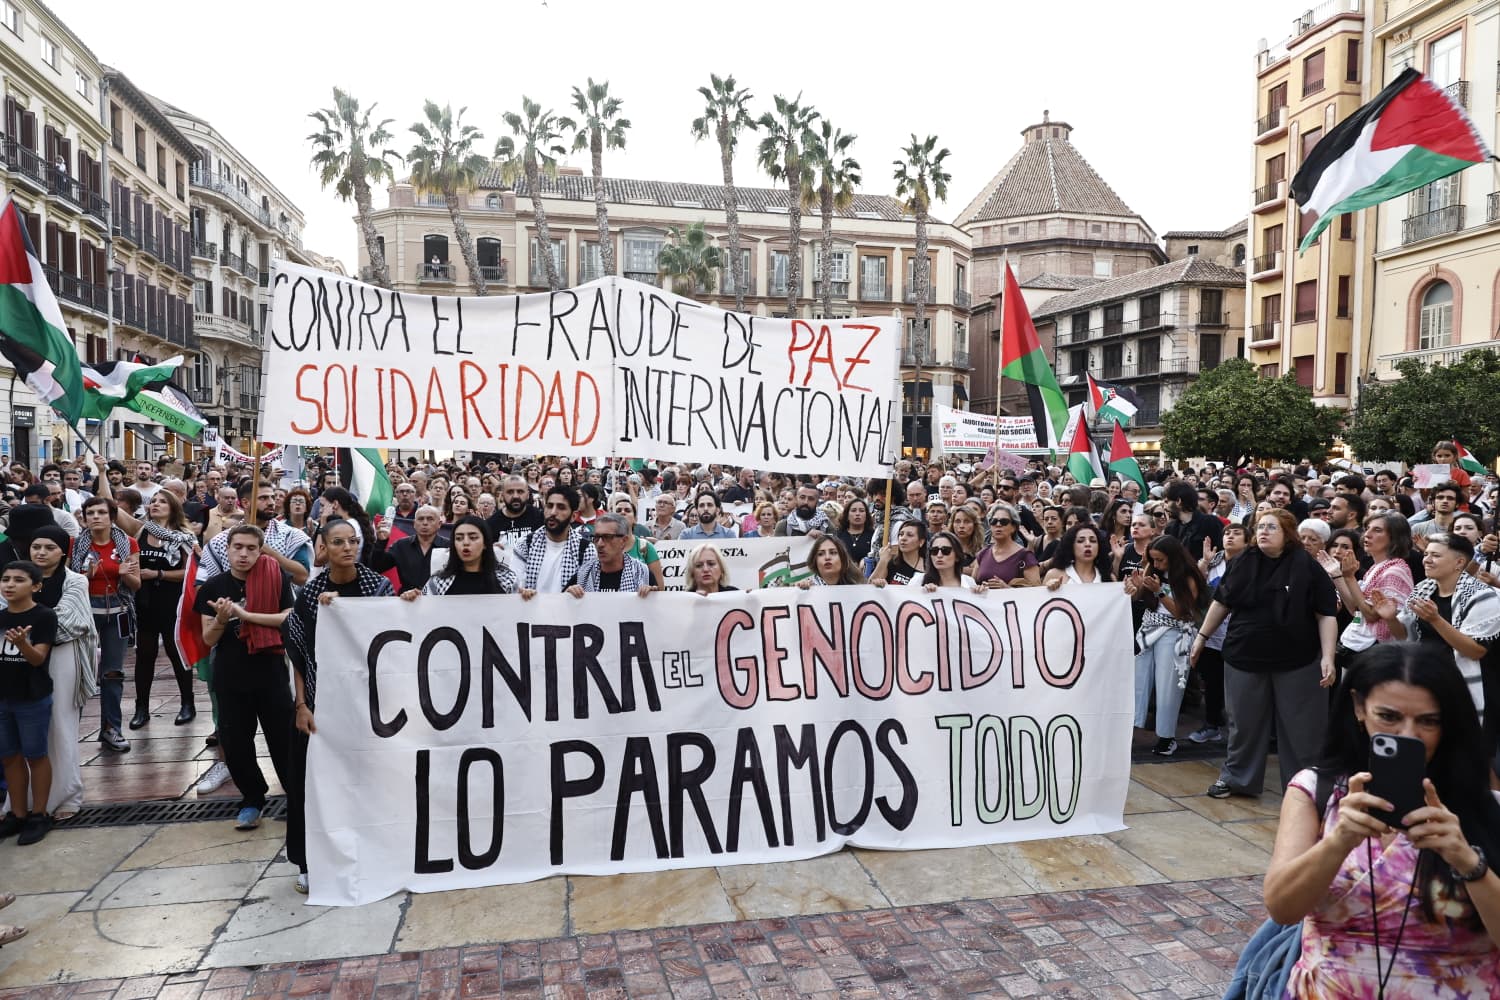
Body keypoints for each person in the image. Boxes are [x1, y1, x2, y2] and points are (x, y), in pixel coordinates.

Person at [1264, 644, 1500, 997]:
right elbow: (1283, 908)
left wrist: (1468, 861)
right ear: (1359, 708)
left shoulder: (1485, 807)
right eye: (1388, 717)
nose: (1408, 735)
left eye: (1428, 721)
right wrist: (1338, 840)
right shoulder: (1316, 793)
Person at [1195, 509, 1339, 798]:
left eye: (1271, 527)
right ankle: (1237, 779)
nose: (1263, 532)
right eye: (1260, 527)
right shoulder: (1243, 562)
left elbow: (1326, 614)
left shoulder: (1307, 566)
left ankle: (1304, 786)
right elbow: (1222, 602)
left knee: (1302, 729)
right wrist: (1202, 637)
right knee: (1243, 725)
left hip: (1298, 659)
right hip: (1244, 655)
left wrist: (1328, 657)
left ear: (1288, 534)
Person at [285, 519, 394, 895]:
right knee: (311, 785)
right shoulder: (311, 595)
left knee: (367, 782)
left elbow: (393, 635)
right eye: (338, 542)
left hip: (367, 706)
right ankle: (307, 861)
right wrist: (301, 704)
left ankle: (373, 852)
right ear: (323, 548)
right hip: (321, 704)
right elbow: (298, 654)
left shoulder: (378, 587)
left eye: (353, 541)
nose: (347, 548)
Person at [194, 524, 296, 831]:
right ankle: (252, 799)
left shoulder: (277, 578)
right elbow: (208, 639)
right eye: (238, 547)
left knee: (284, 740)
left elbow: (287, 618)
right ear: (228, 549)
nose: (244, 554)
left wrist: (247, 615)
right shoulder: (213, 586)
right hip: (230, 674)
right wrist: (223, 620)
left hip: (270, 671)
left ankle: (298, 797)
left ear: (260, 550)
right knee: (236, 742)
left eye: (252, 548)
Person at [1374, 532, 1500, 737]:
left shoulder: (1482, 596)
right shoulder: (1423, 589)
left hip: (1469, 684)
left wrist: (1436, 620)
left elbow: (1475, 650)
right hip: (1430, 681)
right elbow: (1406, 637)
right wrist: (1390, 619)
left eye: (1436, 555)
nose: (1427, 560)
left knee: (1472, 756)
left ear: (1459, 562)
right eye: (1426, 554)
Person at [20, 526, 92, 820]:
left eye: (49, 547)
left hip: (63, 656)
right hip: (20, 657)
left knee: (60, 725)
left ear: (63, 551)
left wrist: (24, 627)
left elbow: (70, 623)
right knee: (23, 728)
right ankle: (21, 801)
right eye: (36, 546)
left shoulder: (76, 582)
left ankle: (67, 795)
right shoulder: (18, 578)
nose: (40, 552)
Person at [1125, 535, 1207, 756]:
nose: (1157, 564)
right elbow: (1139, 599)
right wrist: (1138, 586)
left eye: (1161, 560)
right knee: (1137, 680)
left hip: (1174, 633)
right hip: (1149, 628)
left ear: (1173, 557)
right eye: (1154, 560)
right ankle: (1132, 726)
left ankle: (1166, 737)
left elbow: (1183, 612)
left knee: (1168, 686)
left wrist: (1159, 591)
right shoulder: (1151, 570)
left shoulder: (1189, 576)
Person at [124, 491, 197, 729]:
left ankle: (188, 703)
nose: (156, 504)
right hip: (144, 601)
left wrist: (158, 573)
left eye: (162, 501)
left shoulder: (184, 536)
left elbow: (189, 573)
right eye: (153, 501)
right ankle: (141, 708)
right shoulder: (141, 529)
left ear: (173, 507)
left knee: (177, 654)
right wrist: (102, 472)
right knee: (144, 656)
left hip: (172, 601)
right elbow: (114, 511)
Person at [72, 496, 139, 754]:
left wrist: (126, 574)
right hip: (85, 610)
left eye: (101, 512)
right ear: (85, 517)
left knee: (112, 672)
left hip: (118, 611)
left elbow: (136, 585)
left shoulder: (127, 543)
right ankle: (70, 729)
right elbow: (67, 580)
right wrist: (84, 576)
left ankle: (111, 727)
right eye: (90, 513)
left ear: (112, 517)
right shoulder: (75, 544)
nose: (96, 517)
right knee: (77, 672)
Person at [0, 561, 57, 844]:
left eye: (18, 580)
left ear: (35, 586)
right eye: (5, 579)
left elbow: (38, 659)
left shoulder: (44, 617)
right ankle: (17, 814)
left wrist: (23, 643)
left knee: (35, 754)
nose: (9, 584)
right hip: (3, 698)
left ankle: (39, 814)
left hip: (32, 697)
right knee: (9, 755)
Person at [1324, 511, 1414, 661]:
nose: (1367, 534)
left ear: (1395, 538)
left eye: (1377, 530)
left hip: (1377, 654)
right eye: (1367, 528)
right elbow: (1355, 610)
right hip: (1358, 647)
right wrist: (1339, 575)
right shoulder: (1377, 567)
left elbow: (1371, 615)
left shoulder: (1395, 571)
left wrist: (1350, 578)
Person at [511, 485, 593, 594]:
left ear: (573, 516)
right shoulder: (526, 544)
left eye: (561, 507)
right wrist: (522, 592)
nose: (553, 512)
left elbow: (590, 594)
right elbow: (514, 586)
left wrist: (574, 594)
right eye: (549, 506)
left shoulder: (586, 550)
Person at [567, 513, 651, 597]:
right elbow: (562, 605)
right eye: (596, 537)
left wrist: (652, 596)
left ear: (624, 541)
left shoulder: (642, 573)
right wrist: (569, 596)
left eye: (607, 537)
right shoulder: (583, 575)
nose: (600, 544)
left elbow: (655, 607)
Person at [974, 504, 1040, 589]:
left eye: (1004, 521)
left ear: (1013, 527)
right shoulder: (983, 554)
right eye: (993, 521)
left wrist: (1006, 588)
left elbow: (1036, 594)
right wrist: (978, 588)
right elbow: (972, 584)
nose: (998, 524)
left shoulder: (1025, 556)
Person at [1044, 524, 1114, 589]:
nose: (1088, 544)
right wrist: (1048, 589)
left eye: (1093, 541)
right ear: (1071, 546)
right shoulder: (1054, 574)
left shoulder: (1109, 578)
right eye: (1080, 541)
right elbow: (1041, 600)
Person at [870, 520, 926, 586]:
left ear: (921, 542)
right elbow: (870, 587)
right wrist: (883, 561)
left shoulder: (929, 566)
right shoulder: (890, 562)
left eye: (910, 535)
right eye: (901, 534)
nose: (903, 538)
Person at [799, 535, 866, 588]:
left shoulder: (859, 587)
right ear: (815, 561)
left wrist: (876, 588)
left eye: (833, 552)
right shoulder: (807, 588)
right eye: (820, 554)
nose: (827, 557)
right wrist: (798, 592)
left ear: (842, 558)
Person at [835, 498, 877, 566]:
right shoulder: (838, 535)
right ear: (847, 515)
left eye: (861, 511)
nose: (857, 514)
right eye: (853, 510)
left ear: (866, 515)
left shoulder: (873, 535)